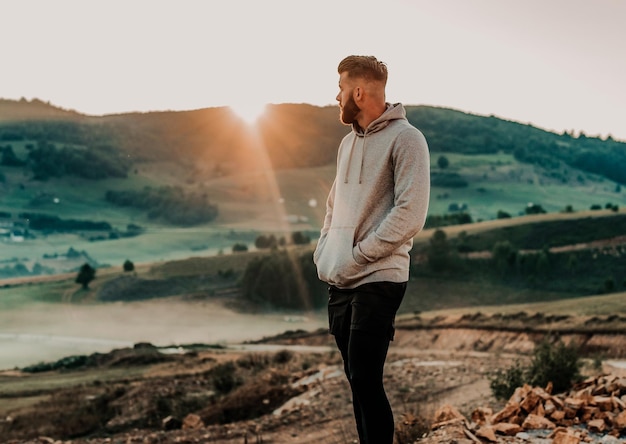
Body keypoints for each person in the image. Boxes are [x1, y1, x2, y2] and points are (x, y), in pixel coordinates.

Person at [313, 55, 430, 444]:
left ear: (358, 92)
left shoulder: (407, 139)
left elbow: (410, 213)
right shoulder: (348, 144)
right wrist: (326, 249)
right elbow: (334, 206)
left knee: (365, 375)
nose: (337, 96)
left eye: (342, 88)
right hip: (341, 277)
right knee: (355, 380)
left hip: (379, 275)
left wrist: (361, 254)